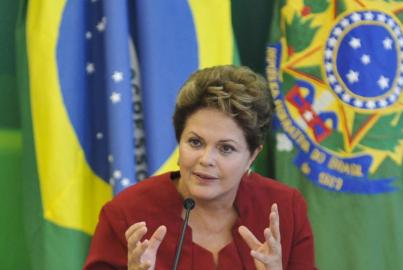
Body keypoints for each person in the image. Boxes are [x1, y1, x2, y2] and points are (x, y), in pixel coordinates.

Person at [84, 65, 317, 270]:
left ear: (252, 156)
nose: (206, 159)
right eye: (195, 142)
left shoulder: (285, 210)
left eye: (226, 148)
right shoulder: (127, 215)